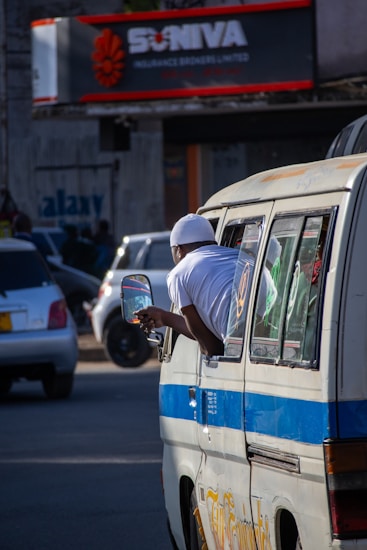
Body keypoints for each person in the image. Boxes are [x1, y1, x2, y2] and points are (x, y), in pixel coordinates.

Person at [135, 213, 240, 357]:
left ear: (178, 250)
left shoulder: (178, 274)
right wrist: (164, 317)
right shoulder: (238, 255)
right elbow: (205, 327)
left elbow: (210, 347)